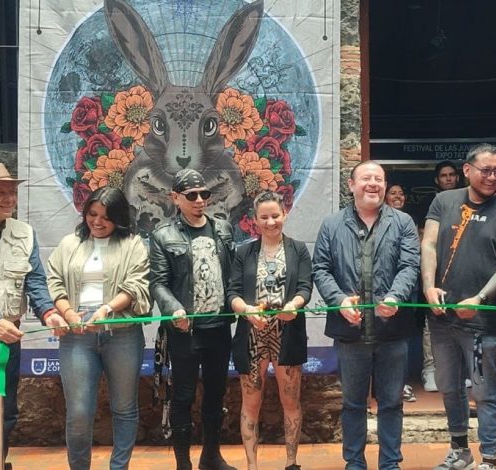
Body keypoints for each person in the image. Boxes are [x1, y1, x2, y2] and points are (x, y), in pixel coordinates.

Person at [421, 143, 496, 470]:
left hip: (484, 323)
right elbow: (428, 242)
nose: (493, 176)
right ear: (467, 170)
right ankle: (460, 451)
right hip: (442, 319)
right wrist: (428, 286)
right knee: (450, 387)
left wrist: (480, 298)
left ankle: (490, 460)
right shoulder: (444, 200)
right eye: (486, 170)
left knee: (485, 392)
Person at [312, 161, 420, 470]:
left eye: (379, 179)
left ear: (385, 186)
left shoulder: (403, 223)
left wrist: (396, 296)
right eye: (366, 178)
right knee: (352, 404)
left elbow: (409, 265)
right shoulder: (332, 225)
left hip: (392, 330)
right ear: (351, 185)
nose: (372, 184)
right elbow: (321, 268)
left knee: (391, 403)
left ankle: (390, 463)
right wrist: (340, 301)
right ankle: (354, 462)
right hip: (350, 333)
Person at [46, 187, 150, 470]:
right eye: (93, 214)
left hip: (122, 332)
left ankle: (119, 467)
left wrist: (106, 310)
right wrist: (68, 313)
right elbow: (54, 280)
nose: (98, 222)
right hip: (76, 335)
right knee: (79, 412)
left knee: (124, 408)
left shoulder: (133, 244)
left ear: (119, 218)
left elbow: (136, 284)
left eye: (106, 216)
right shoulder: (69, 243)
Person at [149, 169, 237, 470]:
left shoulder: (224, 229)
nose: (200, 200)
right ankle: (183, 463)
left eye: (204, 194)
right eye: (191, 195)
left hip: (219, 325)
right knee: (183, 395)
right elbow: (157, 282)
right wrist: (174, 309)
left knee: (216, 393)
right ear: (176, 197)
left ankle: (211, 456)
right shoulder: (163, 235)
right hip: (184, 330)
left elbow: (232, 275)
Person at [0, 163, 59, 470]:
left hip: (6, 340)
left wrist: (49, 312)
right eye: (0, 192)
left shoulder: (24, 233)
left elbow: (35, 282)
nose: (9, 199)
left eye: (12, 192)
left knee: (5, 409)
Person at [227, 191, 312, 470]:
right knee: (251, 401)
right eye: (264, 217)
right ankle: (252, 465)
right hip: (252, 333)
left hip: (287, 331)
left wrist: (295, 305)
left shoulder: (298, 249)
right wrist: (247, 311)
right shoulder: (243, 252)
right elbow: (233, 293)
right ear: (255, 220)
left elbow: (304, 287)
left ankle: (291, 462)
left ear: (284, 214)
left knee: (291, 399)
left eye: (275, 215)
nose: (271, 221)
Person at [421, 160, 460, 393]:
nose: (448, 179)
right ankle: (430, 370)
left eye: (451, 174)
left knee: (461, 323)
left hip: (460, 273)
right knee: (431, 325)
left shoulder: (470, 202)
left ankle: (461, 372)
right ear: (437, 180)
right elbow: (424, 239)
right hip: (433, 273)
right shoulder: (432, 203)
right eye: (443, 175)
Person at [384, 183, 419, 403]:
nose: (398, 196)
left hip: (407, 290)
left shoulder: (408, 222)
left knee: (402, 338)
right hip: (382, 291)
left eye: (401, 193)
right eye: (393, 193)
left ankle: (402, 384)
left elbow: (411, 260)